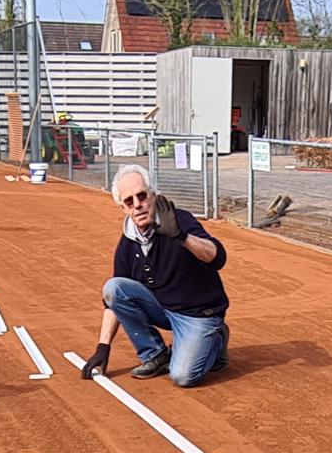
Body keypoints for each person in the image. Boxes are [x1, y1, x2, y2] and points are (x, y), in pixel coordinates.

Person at [78, 165, 229, 387]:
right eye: (129, 201)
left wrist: (181, 237)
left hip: (198, 313)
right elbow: (113, 301)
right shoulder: (127, 242)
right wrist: (103, 347)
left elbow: (217, 257)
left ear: (153, 195)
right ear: (122, 207)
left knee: (183, 376)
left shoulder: (179, 221)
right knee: (114, 287)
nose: (137, 204)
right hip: (164, 308)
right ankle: (155, 355)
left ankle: (216, 339)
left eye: (141, 196)